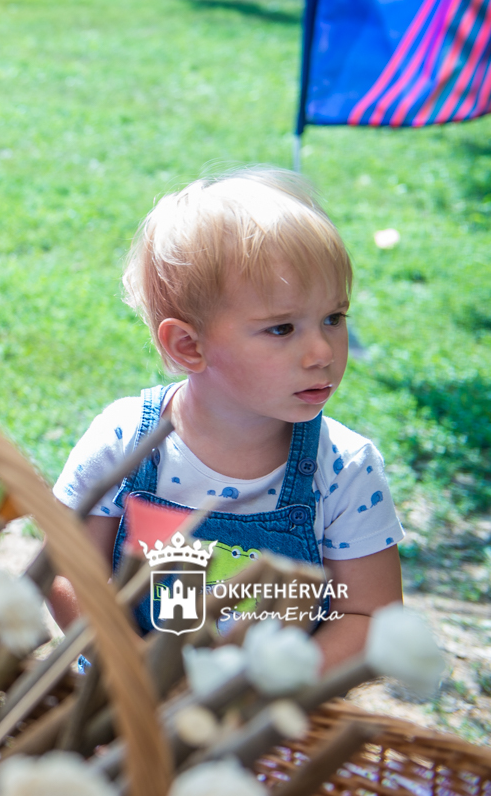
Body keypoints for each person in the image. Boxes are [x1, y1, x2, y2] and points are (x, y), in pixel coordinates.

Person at [49, 170, 403, 669]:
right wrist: (136, 669)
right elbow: (67, 571)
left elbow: (369, 615)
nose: (323, 351)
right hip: (121, 714)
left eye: (334, 317)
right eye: (282, 328)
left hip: (272, 726)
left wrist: (260, 694)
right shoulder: (128, 440)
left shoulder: (343, 469)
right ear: (189, 346)